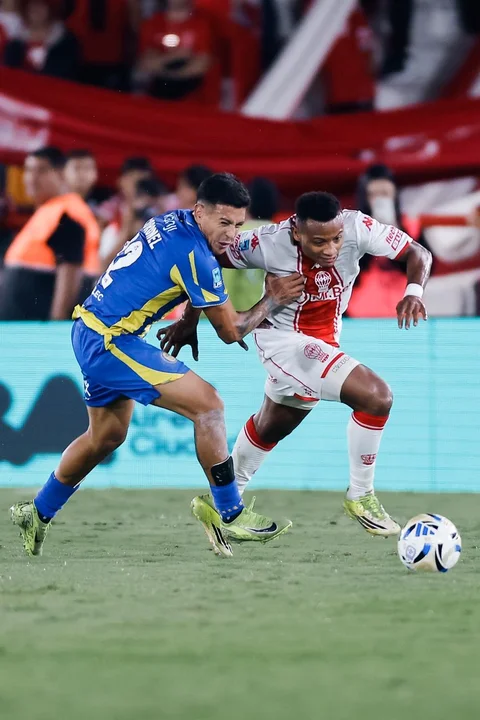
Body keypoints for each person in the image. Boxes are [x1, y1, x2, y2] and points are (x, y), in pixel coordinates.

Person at [10, 173, 304, 558]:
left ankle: (37, 511)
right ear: (200, 212)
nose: (232, 234)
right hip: (111, 341)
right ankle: (230, 513)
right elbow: (232, 330)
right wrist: (273, 298)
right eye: (224, 222)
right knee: (209, 407)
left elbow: (182, 274)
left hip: (92, 329)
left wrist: (188, 319)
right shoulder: (195, 255)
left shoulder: (172, 221)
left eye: (237, 224)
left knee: (105, 436)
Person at [160, 191, 432, 539]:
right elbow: (203, 258)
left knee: (271, 426)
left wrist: (413, 292)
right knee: (377, 397)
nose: (331, 249)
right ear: (296, 232)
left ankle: (221, 504)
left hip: (324, 342)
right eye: (319, 242)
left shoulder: (359, 226)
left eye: (336, 239)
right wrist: (189, 317)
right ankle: (361, 495)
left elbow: (418, 253)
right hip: (281, 341)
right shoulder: (266, 242)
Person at [0, 146, 100, 320]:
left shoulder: (66, 213)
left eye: (41, 171)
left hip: (39, 330)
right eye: (28, 170)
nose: (32, 178)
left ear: (61, 174)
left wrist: (56, 325)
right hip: (22, 326)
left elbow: (69, 271)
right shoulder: (48, 211)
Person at [349, 164, 419, 318]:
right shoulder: (353, 230)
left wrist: (396, 231)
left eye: (385, 193)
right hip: (362, 312)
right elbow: (351, 273)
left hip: (405, 310)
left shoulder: (411, 226)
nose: (380, 199)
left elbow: (421, 269)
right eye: (374, 194)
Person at [134, 0, 216, 101]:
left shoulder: (202, 25)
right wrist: (175, 56)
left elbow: (203, 63)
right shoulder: (152, 23)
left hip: (191, 95)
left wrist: (169, 69)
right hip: (156, 92)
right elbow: (145, 62)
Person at [4, 0, 79, 80]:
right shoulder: (15, 43)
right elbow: (8, 74)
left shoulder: (67, 42)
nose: (36, 10)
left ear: (51, 9)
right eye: (32, 6)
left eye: (41, 6)